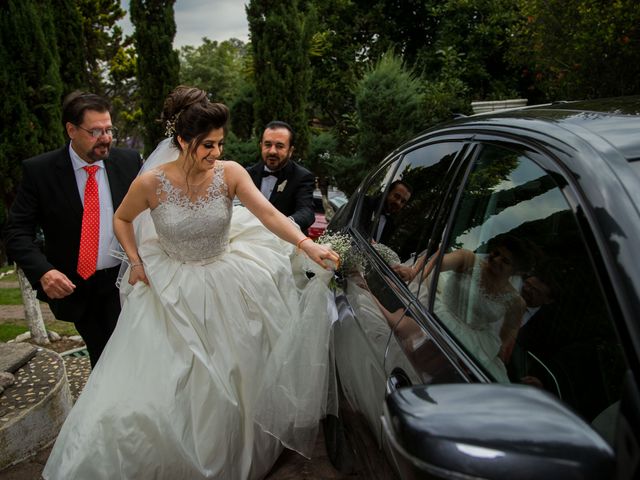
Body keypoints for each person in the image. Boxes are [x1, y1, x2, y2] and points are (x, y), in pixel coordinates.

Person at [42, 86, 340, 480]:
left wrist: (305, 243)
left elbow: (268, 214)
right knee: (167, 382)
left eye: (220, 144)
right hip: (171, 287)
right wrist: (135, 260)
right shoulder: (151, 182)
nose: (216, 153)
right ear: (182, 141)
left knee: (233, 373)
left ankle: (230, 454)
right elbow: (122, 219)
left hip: (226, 281)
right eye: (207, 145)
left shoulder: (230, 173)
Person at [3, 91, 142, 367]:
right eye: (95, 131)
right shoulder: (40, 171)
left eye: (108, 129)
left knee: (127, 358)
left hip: (125, 281)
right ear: (71, 130)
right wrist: (43, 271)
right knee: (104, 358)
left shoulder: (129, 162)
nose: (105, 138)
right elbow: (17, 231)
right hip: (77, 288)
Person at [246, 121, 315, 233]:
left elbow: (306, 212)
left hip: (284, 244)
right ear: (261, 146)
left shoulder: (302, 176)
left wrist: (285, 224)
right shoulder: (247, 174)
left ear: (290, 151)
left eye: (279, 146)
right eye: (268, 145)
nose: (272, 151)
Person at [360, 180, 412, 244]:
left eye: (403, 201)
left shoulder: (391, 224)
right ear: (387, 192)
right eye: (396, 196)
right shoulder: (365, 203)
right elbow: (357, 228)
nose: (398, 202)